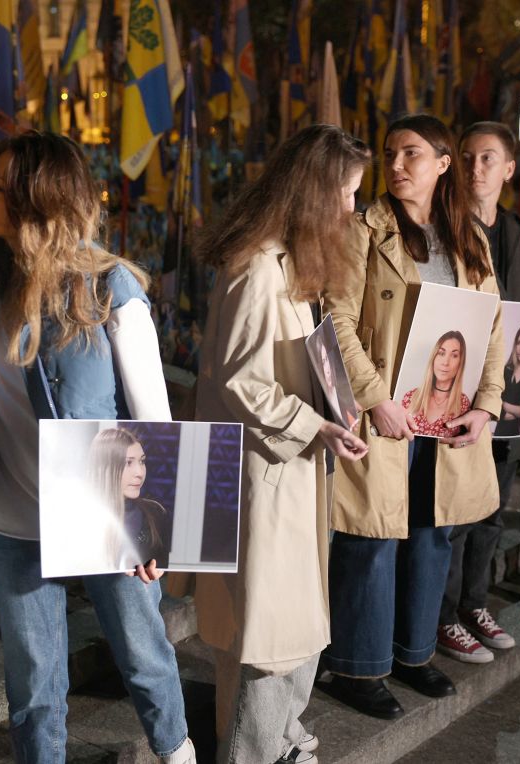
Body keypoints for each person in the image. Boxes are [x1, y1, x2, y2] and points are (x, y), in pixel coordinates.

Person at [0, 131, 196, 764]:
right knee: (33, 678)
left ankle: (177, 754)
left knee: (144, 654)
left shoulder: (108, 288)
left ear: (37, 202)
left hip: (104, 510)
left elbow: (154, 413)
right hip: (11, 515)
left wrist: (159, 531)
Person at [195, 124, 370, 763]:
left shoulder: (286, 260)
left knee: (288, 627)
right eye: (347, 194)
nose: (353, 208)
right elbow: (239, 380)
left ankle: (280, 741)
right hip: (263, 474)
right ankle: (256, 752)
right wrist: (315, 424)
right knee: (272, 635)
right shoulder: (258, 268)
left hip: (287, 469)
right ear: (315, 195)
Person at [323, 114, 504, 719]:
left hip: (447, 414)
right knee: (371, 538)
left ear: (443, 163)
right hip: (384, 416)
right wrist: (373, 397)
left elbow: (493, 326)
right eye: (390, 152)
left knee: (433, 532)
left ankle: (413, 653)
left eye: (412, 153)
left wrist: (486, 405)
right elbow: (337, 320)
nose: (396, 165)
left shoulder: (468, 236)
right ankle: (356, 665)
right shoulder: (361, 230)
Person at [436, 122, 520, 664]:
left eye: (488, 159)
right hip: (462, 393)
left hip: (509, 396)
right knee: (455, 512)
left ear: (509, 169)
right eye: (467, 157)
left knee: (492, 507)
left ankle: (473, 604)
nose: (475, 168)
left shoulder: (515, 233)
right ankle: (441, 614)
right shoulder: (444, 225)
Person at [88, 428, 171, 570]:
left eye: (142, 461)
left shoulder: (155, 512)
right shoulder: (85, 517)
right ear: (104, 467)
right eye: (128, 463)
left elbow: (163, 565)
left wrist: (158, 572)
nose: (139, 473)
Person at [402, 331, 472, 438]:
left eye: (454, 355)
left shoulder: (463, 403)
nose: (445, 362)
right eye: (441, 353)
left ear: (460, 363)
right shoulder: (410, 397)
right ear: (433, 358)